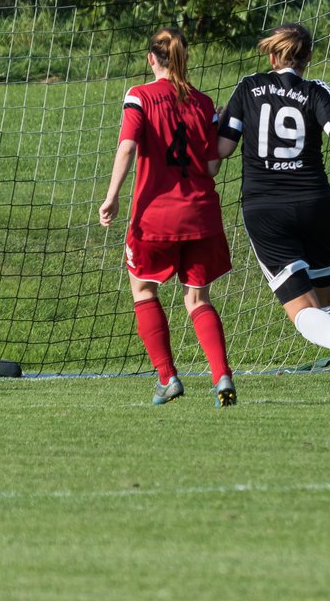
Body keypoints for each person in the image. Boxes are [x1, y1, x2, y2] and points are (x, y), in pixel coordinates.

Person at [216, 22, 330, 401]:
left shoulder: (247, 88)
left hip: (265, 209)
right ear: (309, 58)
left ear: (271, 56)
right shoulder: (315, 91)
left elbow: (221, 150)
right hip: (314, 205)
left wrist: (209, 122)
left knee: (301, 307)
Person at [99, 27, 237, 407]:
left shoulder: (139, 96)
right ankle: (222, 376)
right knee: (198, 300)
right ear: (184, 59)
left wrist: (111, 197)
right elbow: (211, 167)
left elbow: (127, 147)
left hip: (155, 218)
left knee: (144, 291)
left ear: (151, 59)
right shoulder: (204, 103)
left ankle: (167, 377)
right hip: (201, 216)